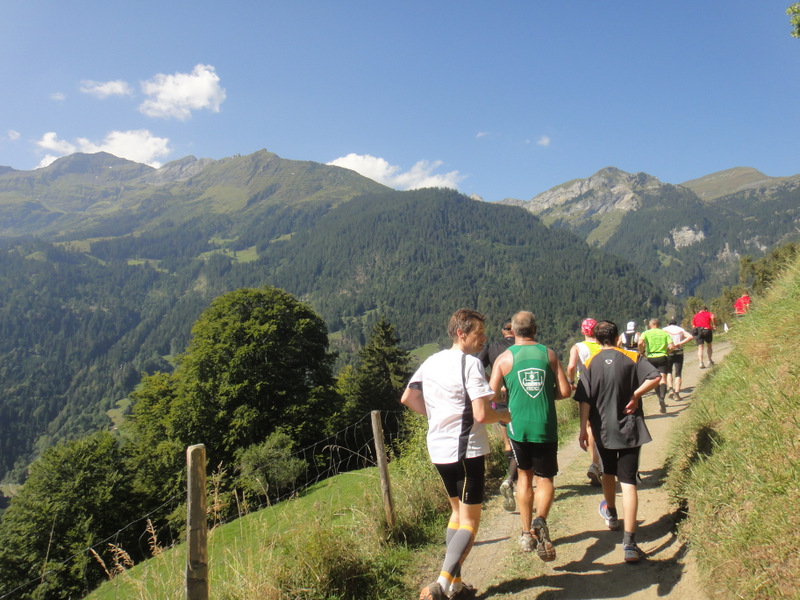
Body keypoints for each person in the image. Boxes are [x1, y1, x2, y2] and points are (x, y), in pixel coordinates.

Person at [401, 309, 511, 600]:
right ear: (462, 333)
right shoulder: (470, 364)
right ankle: (440, 583)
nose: (483, 338)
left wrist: (437, 417)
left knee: (456, 513)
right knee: (471, 521)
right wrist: (505, 417)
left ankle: (456, 586)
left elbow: (408, 397)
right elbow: (481, 413)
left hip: (439, 449)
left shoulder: (431, 361)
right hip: (466, 451)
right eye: (478, 333)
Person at [574, 320, 661, 564]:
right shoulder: (632, 357)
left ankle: (611, 514)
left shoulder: (590, 363)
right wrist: (636, 394)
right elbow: (656, 377)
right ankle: (630, 544)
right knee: (629, 481)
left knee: (608, 473)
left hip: (603, 431)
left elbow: (585, 400)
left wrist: (583, 428)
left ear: (597, 339)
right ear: (618, 338)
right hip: (630, 429)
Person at [489, 311, 571, 561]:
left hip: (518, 427)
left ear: (512, 332)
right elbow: (566, 391)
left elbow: (491, 396)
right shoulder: (549, 354)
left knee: (524, 476)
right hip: (545, 425)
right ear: (535, 330)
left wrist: (510, 395)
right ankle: (541, 519)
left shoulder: (504, 358)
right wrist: (547, 394)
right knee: (545, 479)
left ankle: (526, 533)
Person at [477, 319, 518, 512]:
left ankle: (511, 479)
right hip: (522, 397)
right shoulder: (523, 346)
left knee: (508, 442)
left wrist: (491, 382)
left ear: (503, 331)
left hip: (501, 398)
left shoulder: (493, 347)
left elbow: (477, 365)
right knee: (524, 439)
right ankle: (515, 479)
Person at [566, 318, 603, 486]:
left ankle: (595, 463)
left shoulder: (578, 347)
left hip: (586, 387)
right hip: (604, 386)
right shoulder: (603, 344)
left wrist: (571, 381)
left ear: (583, 331)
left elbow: (571, 366)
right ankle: (602, 462)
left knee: (590, 426)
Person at [638, 319, 675, 413]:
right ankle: (662, 398)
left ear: (651, 325)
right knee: (663, 379)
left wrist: (641, 351)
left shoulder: (646, 333)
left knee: (655, 379)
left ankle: (659, 399)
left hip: (651, 357)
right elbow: (671, 346)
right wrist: (666, 352)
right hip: (662, 357)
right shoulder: (664, 333)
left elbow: (639, 343)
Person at [663, 319, 694, 400]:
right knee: (678, 373)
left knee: (669, 372)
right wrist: (681, 343)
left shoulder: (664, 330)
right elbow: (690, 337)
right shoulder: (680, 329)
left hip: (669, 352)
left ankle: (670, 389)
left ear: (668, 324)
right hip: (679, 352)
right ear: (676, 323)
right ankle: (677, 393)